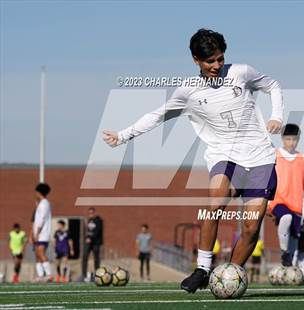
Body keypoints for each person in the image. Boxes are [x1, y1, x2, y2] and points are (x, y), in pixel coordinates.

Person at [103, 28, 283, 293]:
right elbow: (157, 115)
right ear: (196, 60)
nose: (216, 66)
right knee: (216, 201)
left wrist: (276, 115)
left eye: (220, 59)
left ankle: (229, 278)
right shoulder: (188, 91)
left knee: (251, 225)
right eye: (210, 61)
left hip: (260, 156)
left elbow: (273, 86)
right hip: (224, 154)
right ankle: (202, 268)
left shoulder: (241, 72)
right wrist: (123, 136)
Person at [267, 123, 304, 266]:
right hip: (278, 200)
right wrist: (268, 202)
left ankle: (288, 266)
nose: (291, 142)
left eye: (294, 139)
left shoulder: (303, 158)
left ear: (298, 139)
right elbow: (268, 178)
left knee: (294, 237)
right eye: (288, 139)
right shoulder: (274, 155)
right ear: (282, 139)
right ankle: (284, 252)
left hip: (296, 203)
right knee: (285, 218)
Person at [32, 183, 53, 282]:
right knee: (37, 254)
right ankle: (40, 275)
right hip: (38, 233)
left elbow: (42, 219)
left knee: (40, 253)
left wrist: (37, 232)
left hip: (42, 234)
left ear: (39, 192)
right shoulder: (41, 203)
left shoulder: (45, 203)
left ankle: (49, 274)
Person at [81, 207, 103, 282]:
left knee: (96, 259)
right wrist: (86, 237)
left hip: (95, 243)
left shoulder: (98, 220)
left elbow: (97, 231)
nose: (91, 214)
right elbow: (86, 231)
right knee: (84, 257)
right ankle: (84, 275)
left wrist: (91, 238)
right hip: (88, 243)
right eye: (89, 213)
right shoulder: (88, 221)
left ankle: (98, 275)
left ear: (94, 213)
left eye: (92, 213)